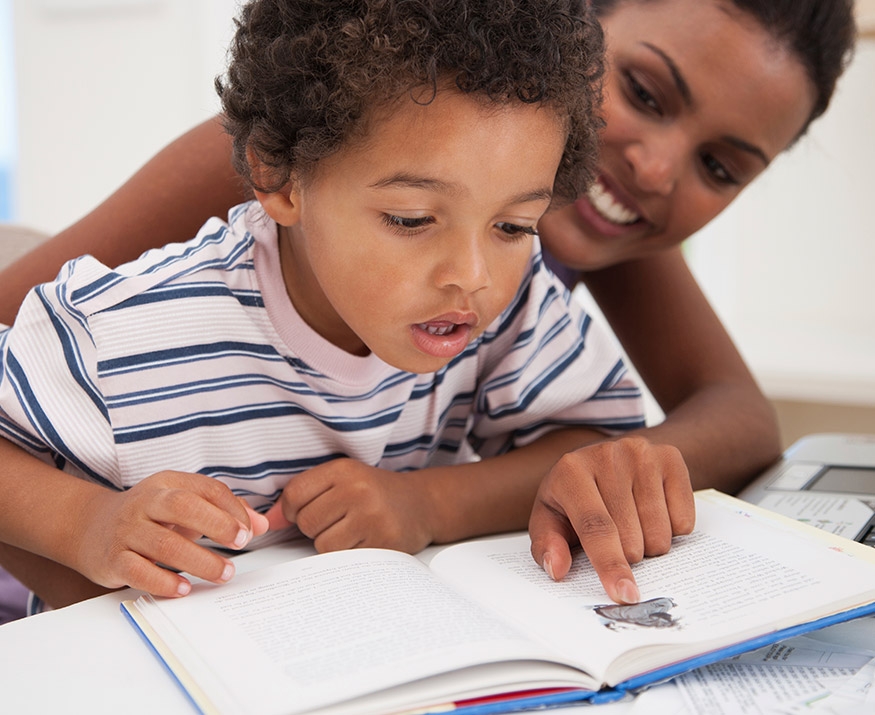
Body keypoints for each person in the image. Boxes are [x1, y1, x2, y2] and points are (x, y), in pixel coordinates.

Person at [0, 0, 856, 611]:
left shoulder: (546, 252)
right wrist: (81, 537)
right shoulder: (283, 174)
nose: (657, 167)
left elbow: (732, 422)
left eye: (720, 167)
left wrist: (434, 501)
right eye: (641, 91)